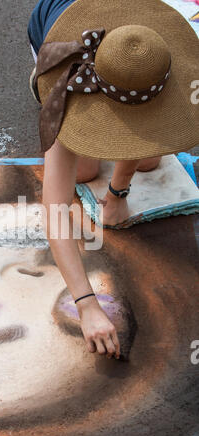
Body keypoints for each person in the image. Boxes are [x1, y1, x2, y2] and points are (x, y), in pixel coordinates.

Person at [27, 0, 199, 359]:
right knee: (83, 170)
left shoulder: (155, 50)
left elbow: (145, 127)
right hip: (59, 26)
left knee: (151, 160)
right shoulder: (69, 84)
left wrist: (118, 192)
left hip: (130, 52)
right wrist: (87, 304)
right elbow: (55, 209)